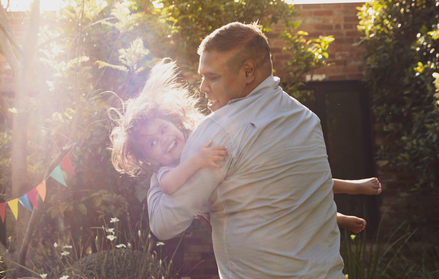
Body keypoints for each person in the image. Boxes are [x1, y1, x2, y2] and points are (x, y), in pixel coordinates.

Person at [142, 22, 355, 279]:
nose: (203, 87)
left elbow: (164, 224)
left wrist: (157, 177)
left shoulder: (219, 132)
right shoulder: (306, 120)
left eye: (212, 77)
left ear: (248, 72)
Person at [111, 60, 380, 236]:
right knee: (284, 205)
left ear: (175, 122)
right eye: (152, 144)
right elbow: (170, 186)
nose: (163, 139)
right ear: (149, 158)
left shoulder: (199, 135)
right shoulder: (165, 171)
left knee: (291, 183)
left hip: (244, 184)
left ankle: (348, 187)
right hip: (233, 204)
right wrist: (198, 161)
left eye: (162, 129)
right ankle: (336, 218)